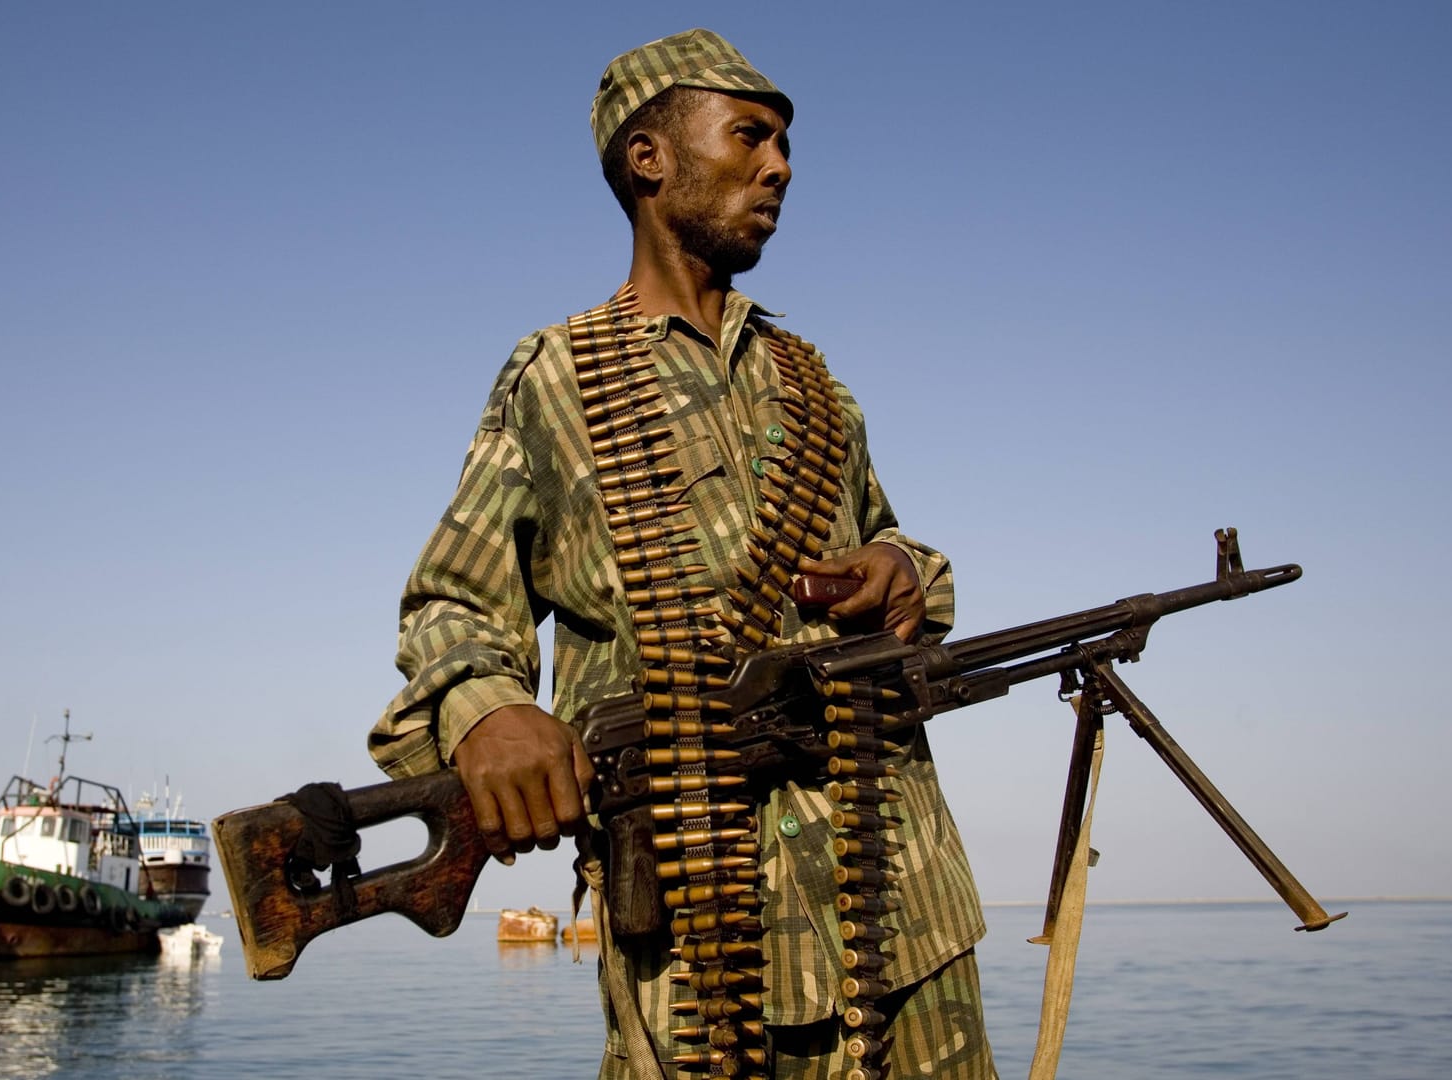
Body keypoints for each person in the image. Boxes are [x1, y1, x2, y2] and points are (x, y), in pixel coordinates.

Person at [371, 29, 994, 1079]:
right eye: (750, 136)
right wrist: (489, 711)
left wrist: (898, 571)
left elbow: (888, 533)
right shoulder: (560, 377)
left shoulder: (814, 382)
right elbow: (451, 604)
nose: (781, 166)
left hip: (899, 894)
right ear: (648, 157)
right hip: (698, 930)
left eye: (786, 146)